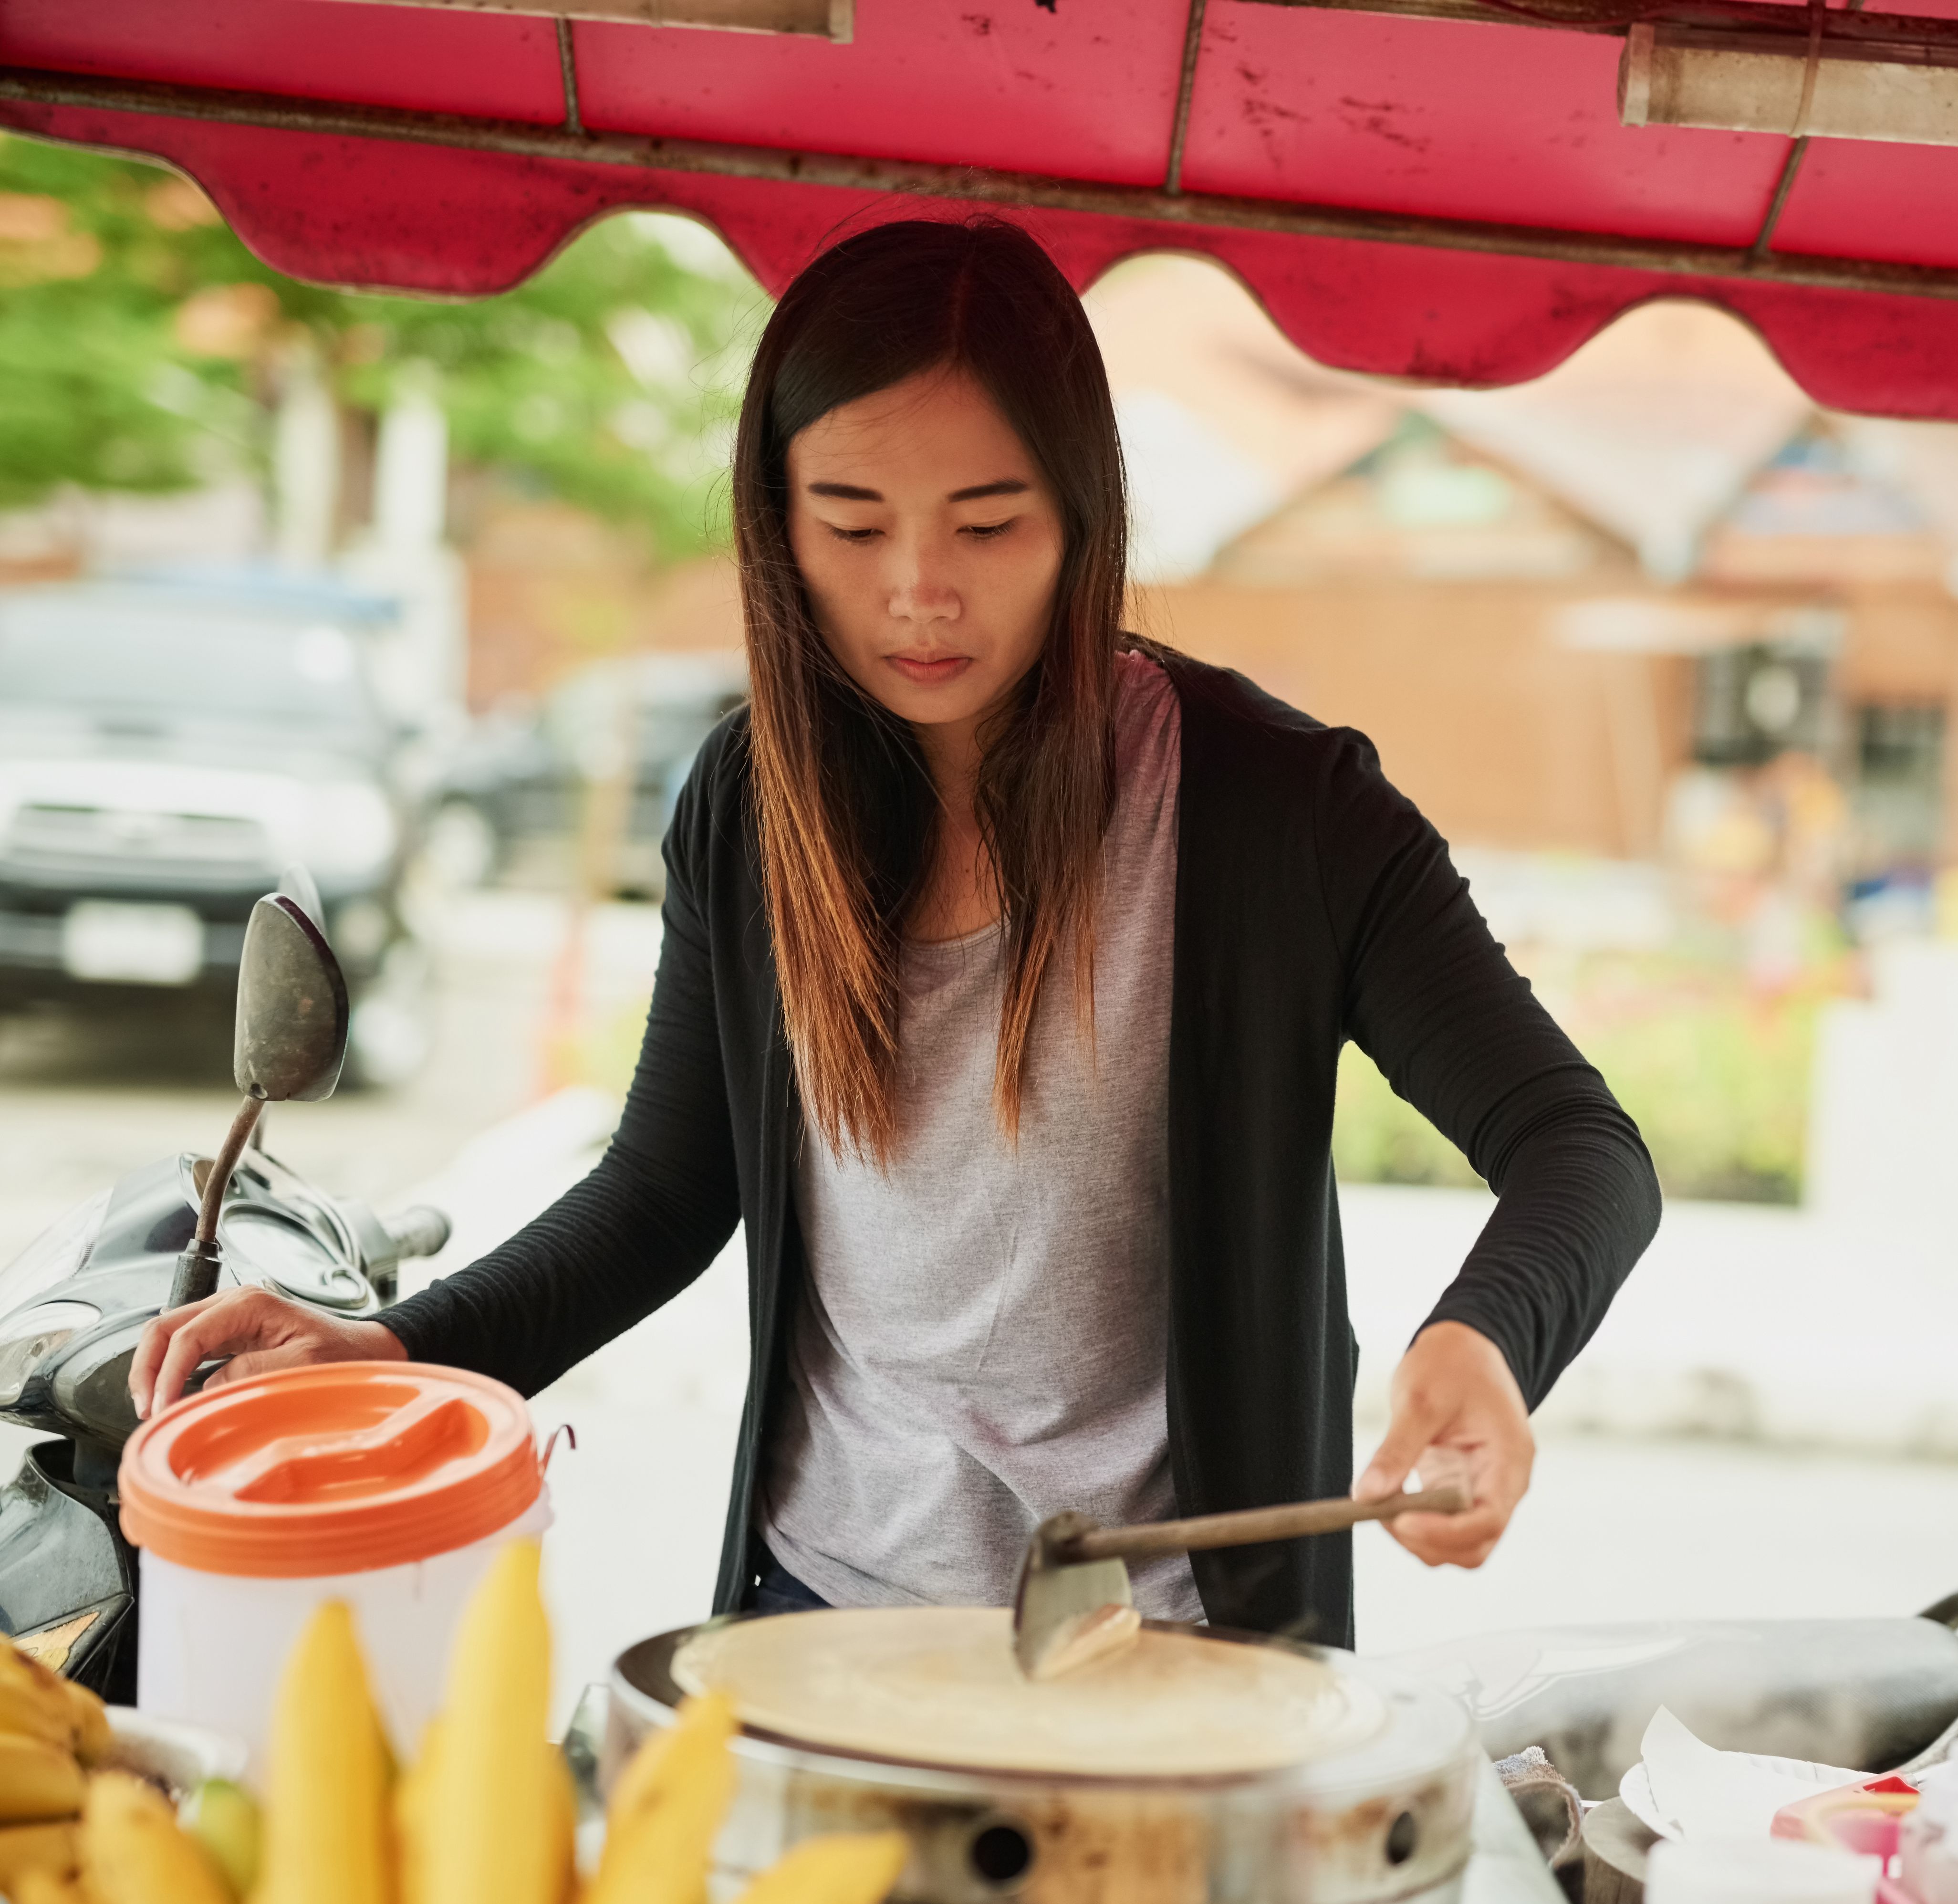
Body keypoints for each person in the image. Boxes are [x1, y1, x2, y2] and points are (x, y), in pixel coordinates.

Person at [129, 219, 1661, 1645]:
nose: (918, 594)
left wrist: (1483, 1343)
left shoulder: (1278, 808)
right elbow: (670, 1189)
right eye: (852, 524)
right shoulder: (750, 803)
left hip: (1177, 1645)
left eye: (986, 525)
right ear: (775, 527)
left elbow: (1577, 1147)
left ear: (1080, 515)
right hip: (820, 1604)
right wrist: (395, 1350)